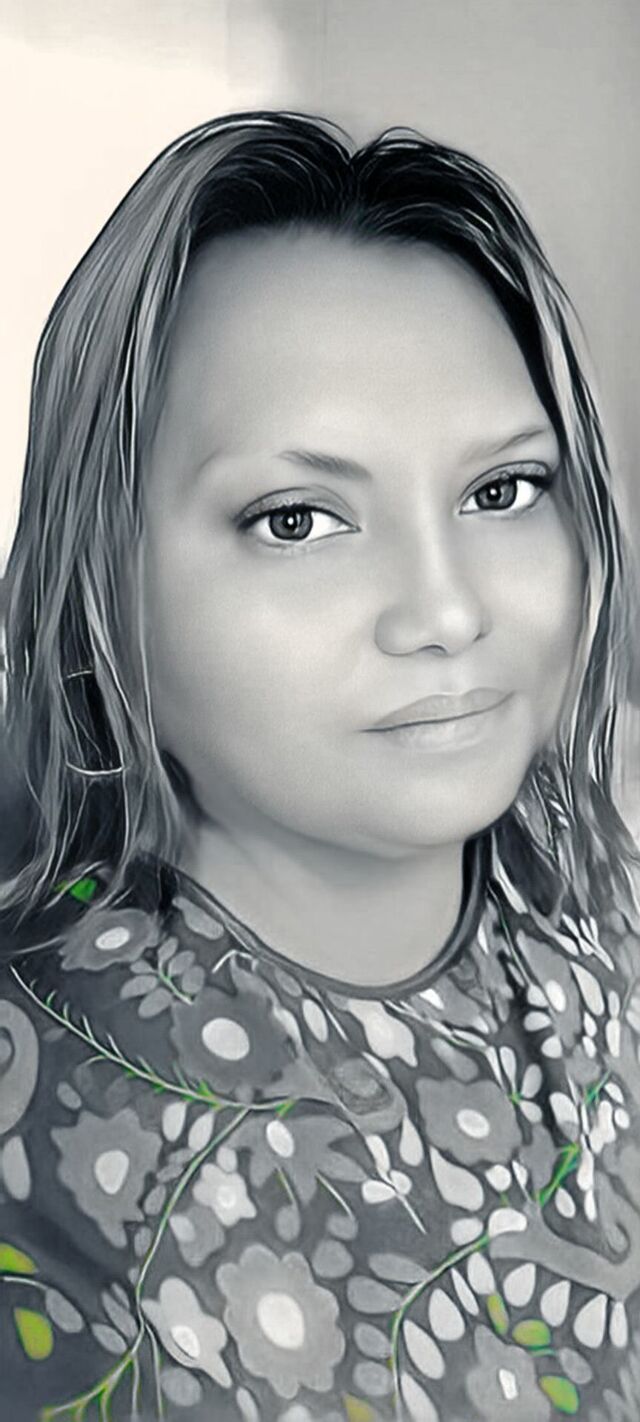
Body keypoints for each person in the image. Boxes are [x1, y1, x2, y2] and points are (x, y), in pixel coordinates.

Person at [0, 109, 639, 1422]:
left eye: (504, 491)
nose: (446, 608)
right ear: (100, 570)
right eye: (297, 519)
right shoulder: (44, 1121)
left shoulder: (601, 910)